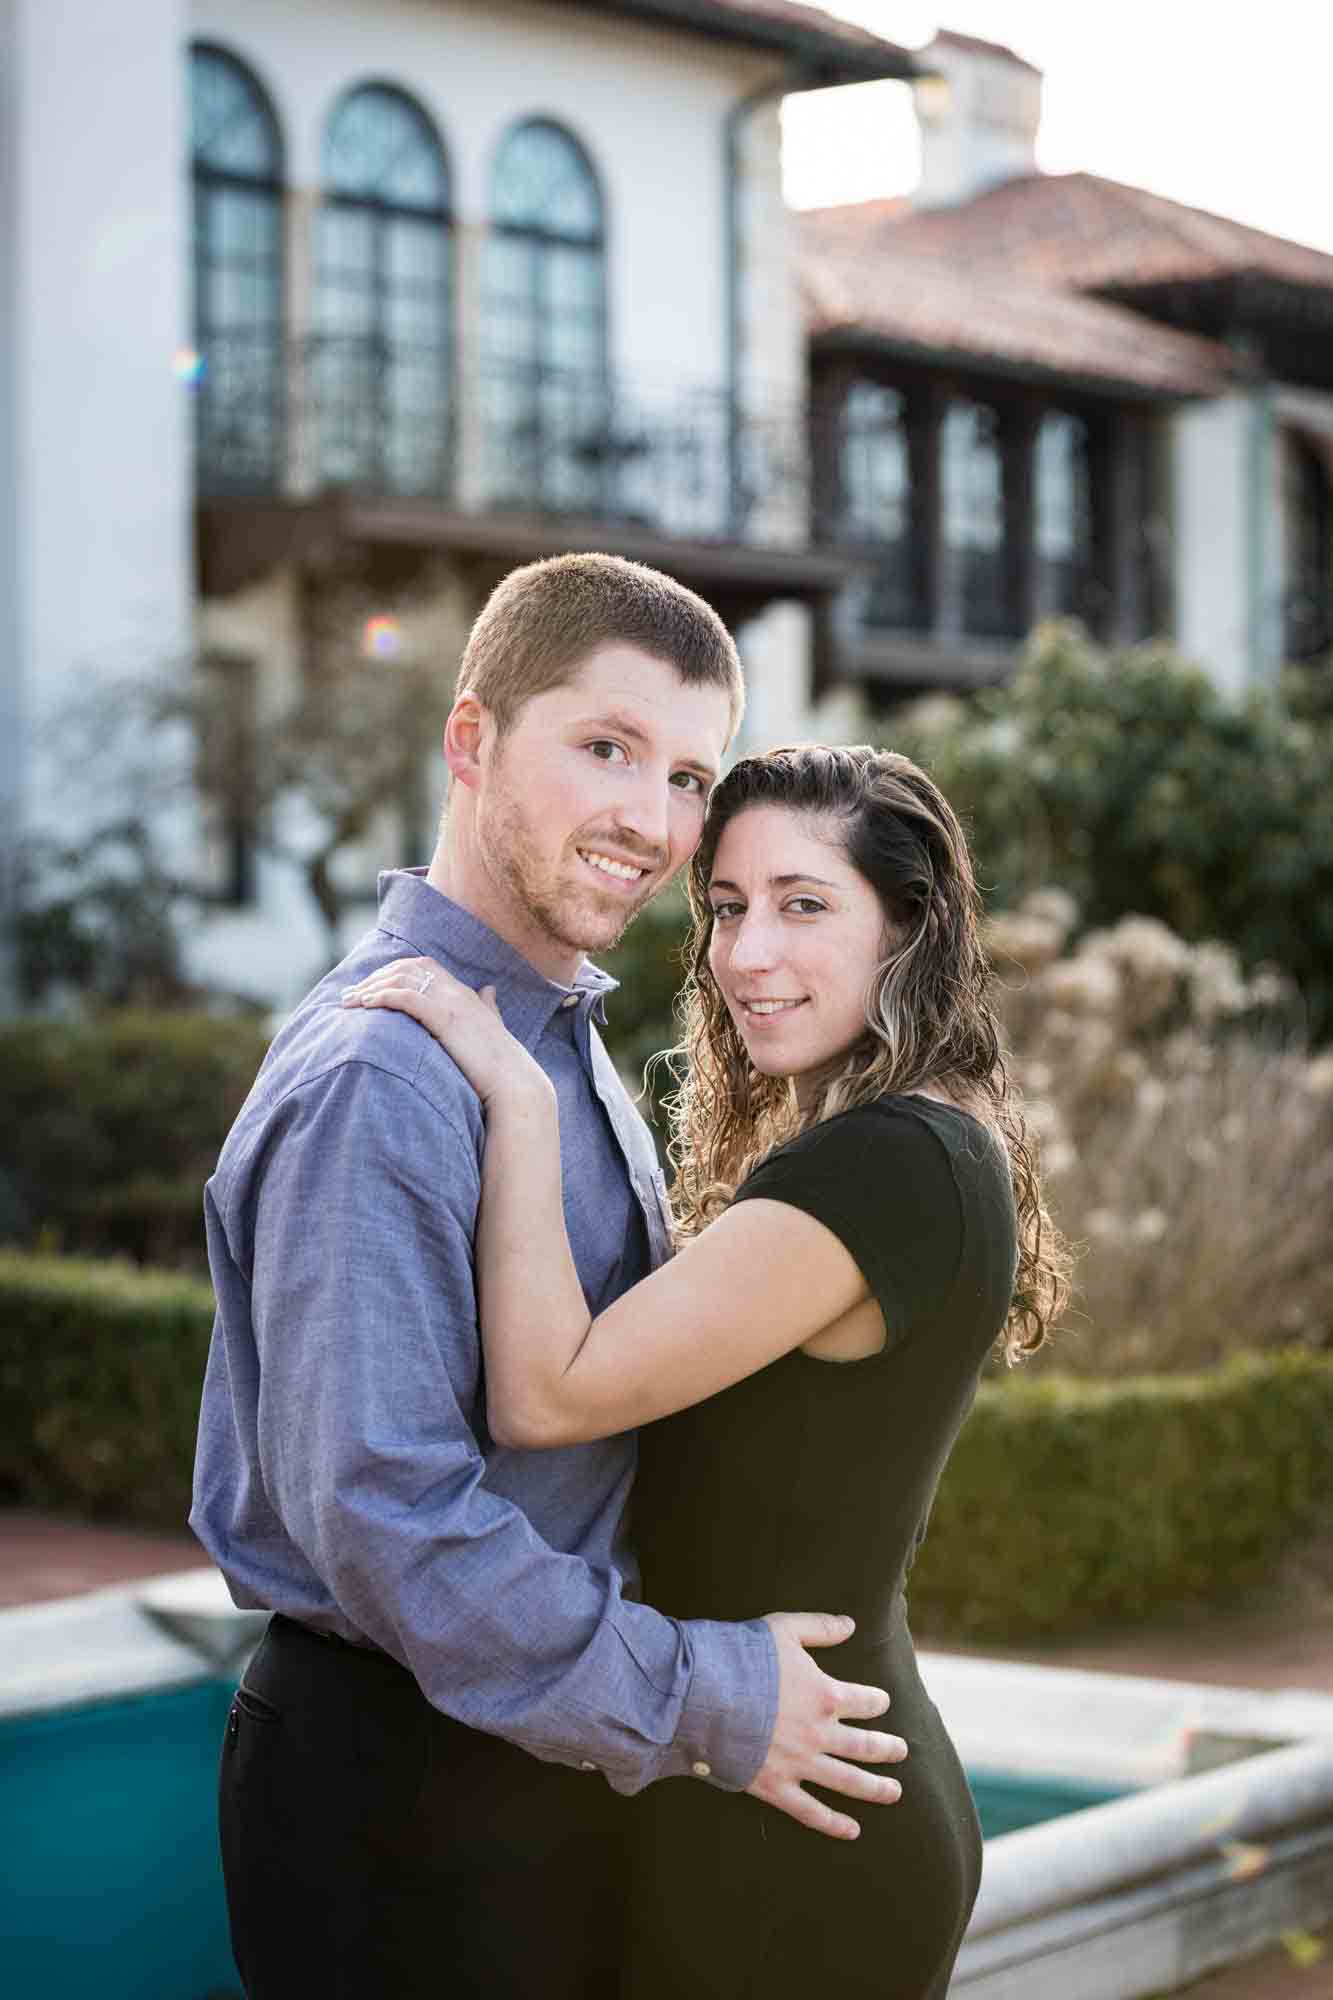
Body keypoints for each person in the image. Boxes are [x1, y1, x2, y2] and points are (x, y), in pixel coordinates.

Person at [191, 557, 907, 2000]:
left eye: (692, 775)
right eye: (606, 749)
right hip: (401, 1796)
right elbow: (388, 1521)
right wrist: (705, 1697)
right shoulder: (385, 1076)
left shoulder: (549, 1040)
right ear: (472, 742)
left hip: (526, 1767)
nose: (654, 823)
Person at [342, 739, 1071, 2000]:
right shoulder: (918, 1136)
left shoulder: (879, 1165)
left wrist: (517, 1094)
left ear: (909, 925)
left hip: (795, 1826)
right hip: (783, 1770)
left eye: (804, 904)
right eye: (726, 907)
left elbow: (549, 1391)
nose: (745, 954)